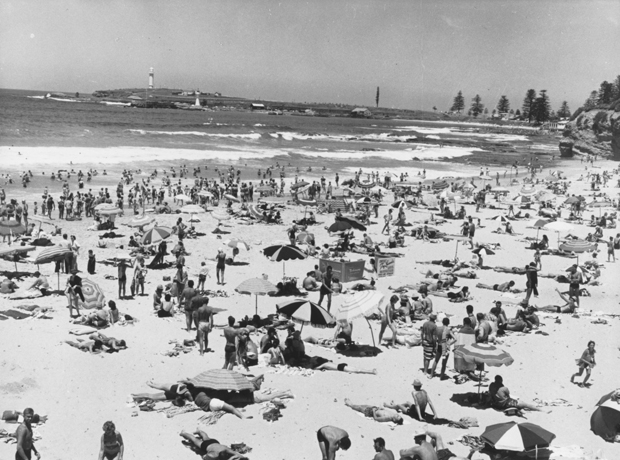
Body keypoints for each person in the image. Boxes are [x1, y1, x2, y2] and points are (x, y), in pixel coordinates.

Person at [179, 429, 248, 460]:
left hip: (215, 442)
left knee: (206, 437)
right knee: (194, 439)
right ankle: (183, 433)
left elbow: (238, 455)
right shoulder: (214, 455)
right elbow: (204, 457)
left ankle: (199, 431)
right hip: (205, 445)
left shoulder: (226, 449)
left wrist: (234, 457)